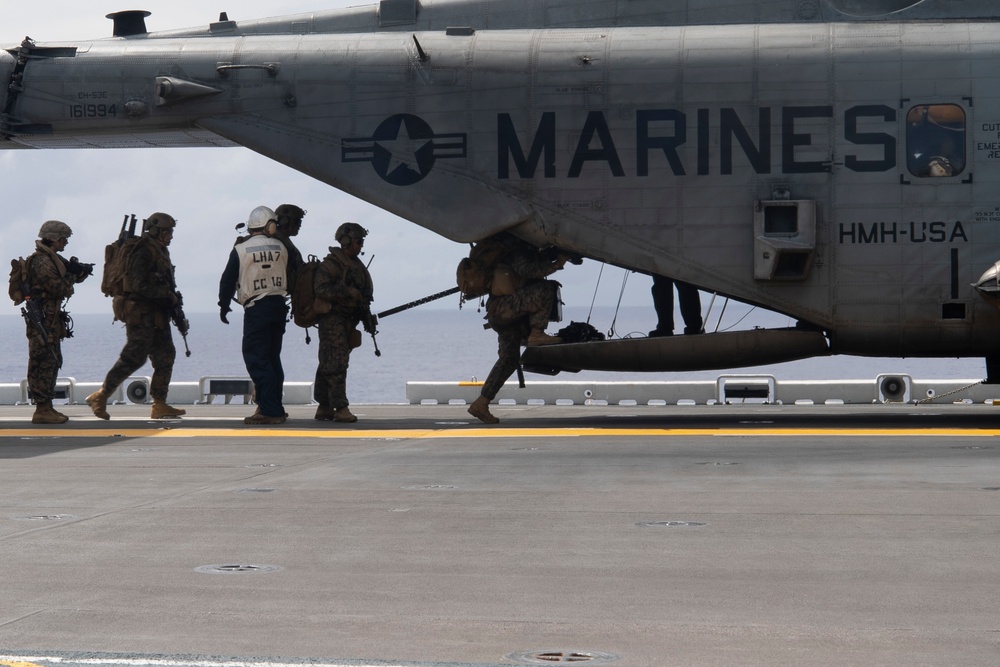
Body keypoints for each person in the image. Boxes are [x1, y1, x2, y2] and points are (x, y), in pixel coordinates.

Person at [85, 213, 187, 420]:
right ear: (157, 231)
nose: (171, 236)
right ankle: (101, 395)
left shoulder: (160, 251)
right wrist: (166, 295)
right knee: (133, 357)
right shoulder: (143, 250)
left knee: (165, 356)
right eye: (168, 232)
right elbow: (138, 284)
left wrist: (174, 304)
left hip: (157, 315)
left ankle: (159, 404)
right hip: (141, 314)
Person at [467, 236, 568, 425]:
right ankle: (537, 333)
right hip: (506, 309)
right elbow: (531, 270)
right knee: (547, 288)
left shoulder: (511, 251)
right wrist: (559, 262)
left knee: (509, 360)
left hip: (503, 313)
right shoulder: (516, 252)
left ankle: (481, 403)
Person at [218, 206, 289, 425]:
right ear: (270, 225)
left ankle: (269, 410)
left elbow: (228, 279)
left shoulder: (241, 249)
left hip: (257, 308)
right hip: (279, 306)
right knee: (272, 358)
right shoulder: (281, 246)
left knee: (257, 358)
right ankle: (275, 405)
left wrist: (224, 304)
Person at [22, 221, 93, 424]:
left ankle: (47, 408)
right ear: (54, 238)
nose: (65, 242)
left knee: (52, 360)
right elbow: (58, 288)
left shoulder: (52, 258)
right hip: (42, 320)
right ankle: (42, 409)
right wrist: (72, 277)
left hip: (50, 319)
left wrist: (79, 271)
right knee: (42, 360)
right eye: (63, 238)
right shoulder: (42, 261)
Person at [312, 222, 376, 423]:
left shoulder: (356, 265)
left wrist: (367, 316)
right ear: (346, 241)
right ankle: (340, 407)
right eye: (358, 242)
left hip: (348, 320)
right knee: (337, 363)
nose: (360, 246)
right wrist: (347, 292)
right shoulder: (331, 264)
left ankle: (324, 406)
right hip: (332, 319)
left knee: (329, 362)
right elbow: (320, 289)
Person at [273, 203, 306, 285]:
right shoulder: (277, 242)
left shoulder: (284, 240)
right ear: (285, 222)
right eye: (297, 221)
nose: (300, 225)